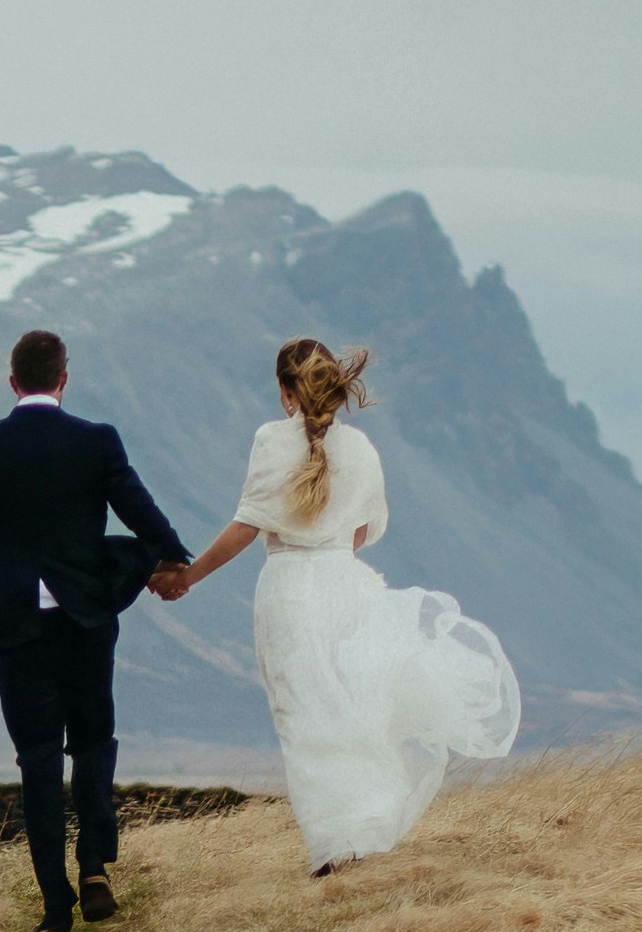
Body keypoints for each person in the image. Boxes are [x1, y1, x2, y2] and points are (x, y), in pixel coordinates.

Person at [153, 337, 519, 875]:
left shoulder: (272, 441)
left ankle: (334, 849)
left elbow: (246, 526)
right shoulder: (363, 450)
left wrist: (188, 576)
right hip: (349, 586)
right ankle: (361, 834)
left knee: (304, 720)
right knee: (352, 712)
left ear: (285, 391)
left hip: (289, 592)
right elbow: (367, 529)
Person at [0, 327, 187, 932]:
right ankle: (96, 867)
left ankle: (55, 904)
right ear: (63, 379)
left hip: (17, 619)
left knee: (40, 757)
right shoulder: (96, 441)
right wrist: (174, 560)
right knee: (95, 742)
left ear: (12, 381)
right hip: (86, 616)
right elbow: (139, 509)